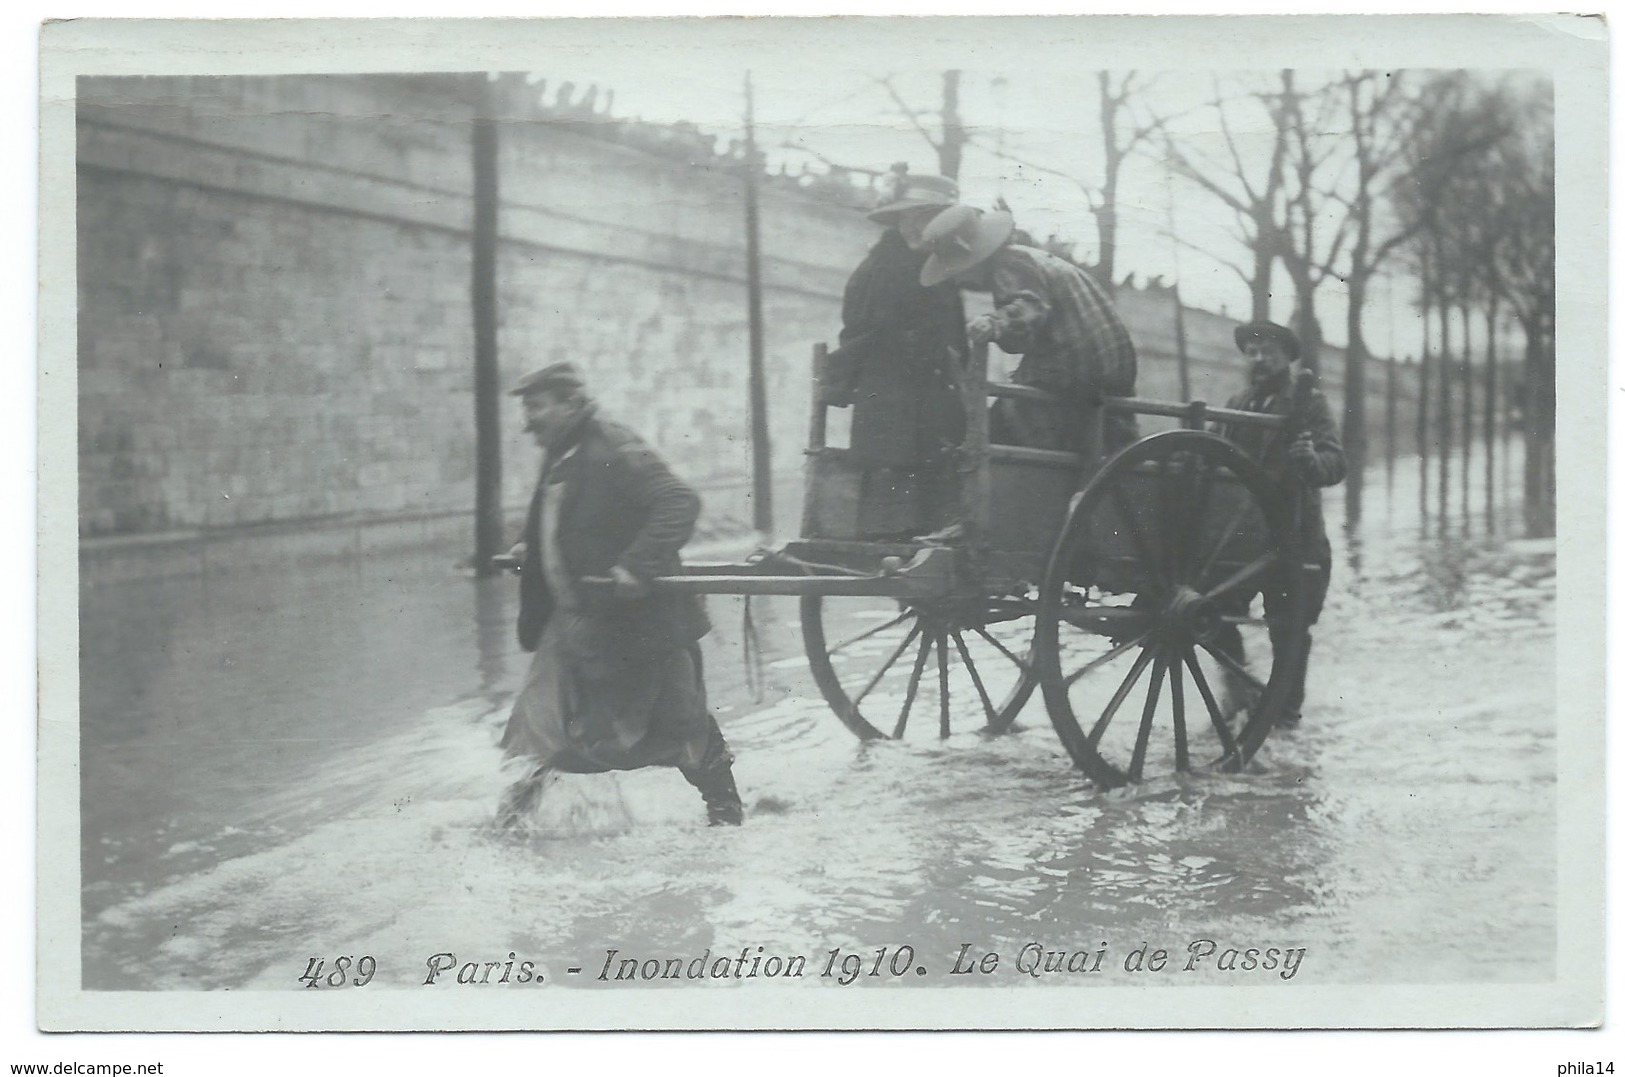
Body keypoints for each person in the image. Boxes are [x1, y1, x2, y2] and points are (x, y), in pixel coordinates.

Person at [495, 362, 743, 826]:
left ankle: (726, 816)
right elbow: (580, 518)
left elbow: (677, 502)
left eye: (537, 406)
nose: (528, 421)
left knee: (681, 720)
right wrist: (538, 546)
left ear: (570, 403)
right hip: (575, 620)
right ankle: (509, 823)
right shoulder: (563, 451)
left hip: (636, 621)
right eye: (526, 408)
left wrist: (635, 566)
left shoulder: (611, 446)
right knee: (541, 721)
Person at [918, 204, 1139, 459]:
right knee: (1104, 433)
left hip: (1075, 365)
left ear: (974, 259)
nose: (956, 279)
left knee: (999, 424)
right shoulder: (1028, 257)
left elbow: (1030, 305)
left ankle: (1018, 485)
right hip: (1111, 362)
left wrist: (994, 323)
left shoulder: (1008, 265)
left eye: (956, 269)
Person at [1210, 321, 1346, 729]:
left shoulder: (1308, 404)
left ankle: (1285, 721)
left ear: (1287, 357)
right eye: (1251, 352)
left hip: (1293, 536)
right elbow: (1215, 452)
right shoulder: (1239, 403)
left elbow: (1336, 463)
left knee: (1289, 630)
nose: (1259, 359)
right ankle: (1241, 691)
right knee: (1213, 610)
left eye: (1268, 352)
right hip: (1242, 538)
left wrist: (1309, 459)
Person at [822, 164, 967, 537]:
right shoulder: (880, 269)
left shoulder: (942, 273)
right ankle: (891, 539)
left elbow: (955, 341)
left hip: (932, 400)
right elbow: (862, 333)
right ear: (898, 221)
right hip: (890, 396)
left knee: (940, 477)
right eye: (910, 218)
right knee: (893, 480)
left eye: (930, 218)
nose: (917, 229)